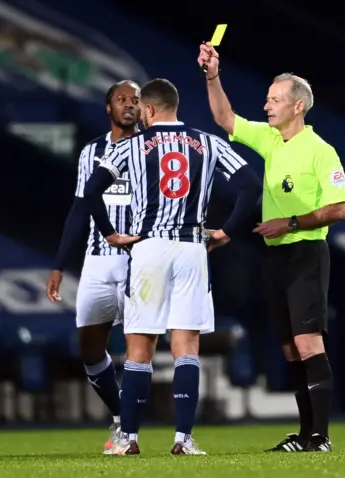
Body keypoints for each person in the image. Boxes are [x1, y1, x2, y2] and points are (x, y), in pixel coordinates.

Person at [83, 78, 261, 455]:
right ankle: (183, 438)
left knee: (139, 346)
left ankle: (128, 438)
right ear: (174, 106)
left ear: (147, 110)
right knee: (186, 346)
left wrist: (112, 233)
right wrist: (227, 231)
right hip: (192, 248)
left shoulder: (131, 146)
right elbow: (250, 185)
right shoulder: (208, 143)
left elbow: (91, 191)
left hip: (149, 249)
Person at [198, 42, 345, 452]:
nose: (267, 105)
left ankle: (320, 437)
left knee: (307, 343)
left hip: (306, 253)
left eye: (275, 99)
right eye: (267, 98)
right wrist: (213, 75)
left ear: (298, 106)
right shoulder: (271, 140)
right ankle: (305, 435)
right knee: (288, 349)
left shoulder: (320, 151)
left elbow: (340, 208)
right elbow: (225, 119)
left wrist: (292, 222)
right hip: (277, 256)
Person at [46, 80, 141, 454]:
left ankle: (130, 433)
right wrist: (59, 264)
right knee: (89, 349)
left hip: (140, 259)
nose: (129, 105)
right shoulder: (91, 152)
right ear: (108, 107)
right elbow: (80, 208)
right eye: (122, 100)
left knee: (138, 349)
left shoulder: (151, 149)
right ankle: (121, 417)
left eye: (135, 100)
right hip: (98, 259)